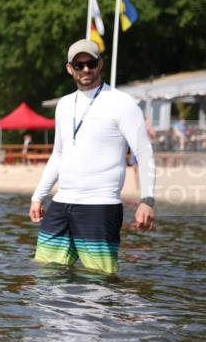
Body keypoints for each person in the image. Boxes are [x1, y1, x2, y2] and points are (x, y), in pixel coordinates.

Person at [30, 39, 156, 274]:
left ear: (100, 64)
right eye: (79, 65)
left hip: (100, 206)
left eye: (91, 63)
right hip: (61, 204)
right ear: (70, 68)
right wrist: (38, 196)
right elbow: (58, 155)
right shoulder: (64, 105)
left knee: (99, 283)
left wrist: (147, 200)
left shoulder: (122, 103)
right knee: (46, 276)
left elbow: (144, 152)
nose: (86, 69)